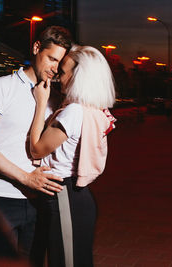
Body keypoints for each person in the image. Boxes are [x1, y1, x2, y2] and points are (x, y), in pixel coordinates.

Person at [0, 26, 73, 258]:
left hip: (38, 203)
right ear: (37, 48)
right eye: (51, 59)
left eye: (59, 63)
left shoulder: (54, 98)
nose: (54, 68)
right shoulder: (3, 86)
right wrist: (27, 178)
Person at [30, 45, 117, 267]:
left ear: (79, 77)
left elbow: (37, 150)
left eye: (65, 71)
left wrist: (41, 103)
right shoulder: (93, 108)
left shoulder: (74, 111)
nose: (59, 76)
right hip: (75, 197)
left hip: (64, 196)